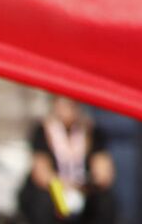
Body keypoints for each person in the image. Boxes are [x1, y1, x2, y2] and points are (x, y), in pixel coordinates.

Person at [18, 95, 119, 224]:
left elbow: (103, 172)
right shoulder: (43, 131)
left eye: (72, 105)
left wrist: (83, 186)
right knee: (43, 201)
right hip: (56, 190)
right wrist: (65, 185)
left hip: (84, 189)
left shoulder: (90, 131)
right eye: (63, 105)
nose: (68, 110)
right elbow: (41, 172)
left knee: (104, 202)